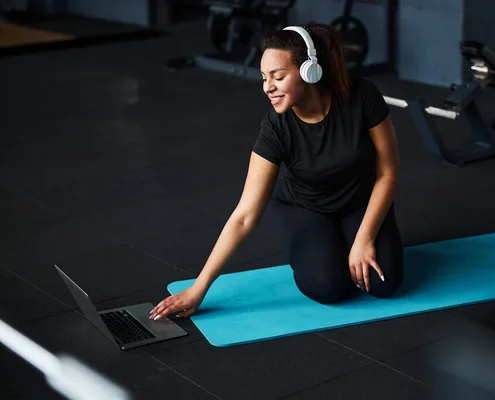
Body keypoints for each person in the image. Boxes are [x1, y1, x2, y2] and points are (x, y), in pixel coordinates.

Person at [149, 23, 403, 321]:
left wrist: (364, 238)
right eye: (264, 77)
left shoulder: (362, 96)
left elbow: (388, 172)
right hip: (304, 208)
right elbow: (244, 216)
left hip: (359, 202)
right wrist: (199, 288)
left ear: (310, 71)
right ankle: (326, 244)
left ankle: (348, 239)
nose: (267, 87)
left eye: (278, 77)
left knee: (385, 285)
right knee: (327, 287)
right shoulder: (276, 129)